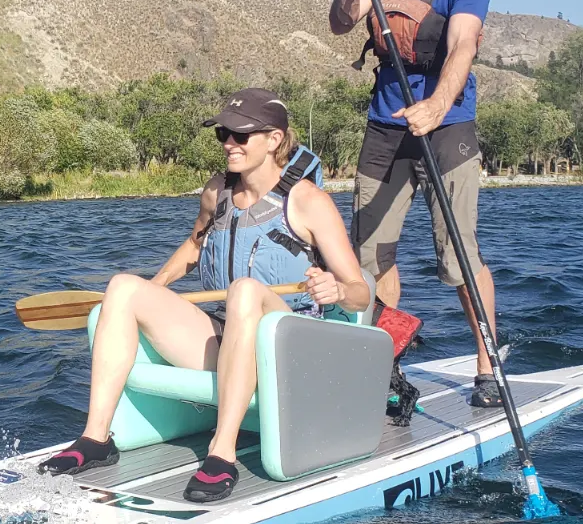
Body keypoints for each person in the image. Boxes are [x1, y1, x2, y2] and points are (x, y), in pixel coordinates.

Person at [39, 88, 373, 503]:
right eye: (223, 135)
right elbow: (196, 245)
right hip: (228, 334)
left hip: (291, 350)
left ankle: (222, 450)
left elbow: (360, 293)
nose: (229, 144)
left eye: (240, 135)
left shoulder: (308, 201)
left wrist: (338, 288)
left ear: (273, 140)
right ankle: (96, 439)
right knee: (123, 286)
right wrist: (149, 293)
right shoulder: (217, 192)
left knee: (246, 291)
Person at [327, 0, 502, 407]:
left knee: (457, 256)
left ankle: (488, 366)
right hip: (385, 124)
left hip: (446, 127)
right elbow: (341, 22)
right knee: (369, 255)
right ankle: (386, 366)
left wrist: (436, 105)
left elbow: (463, 47)